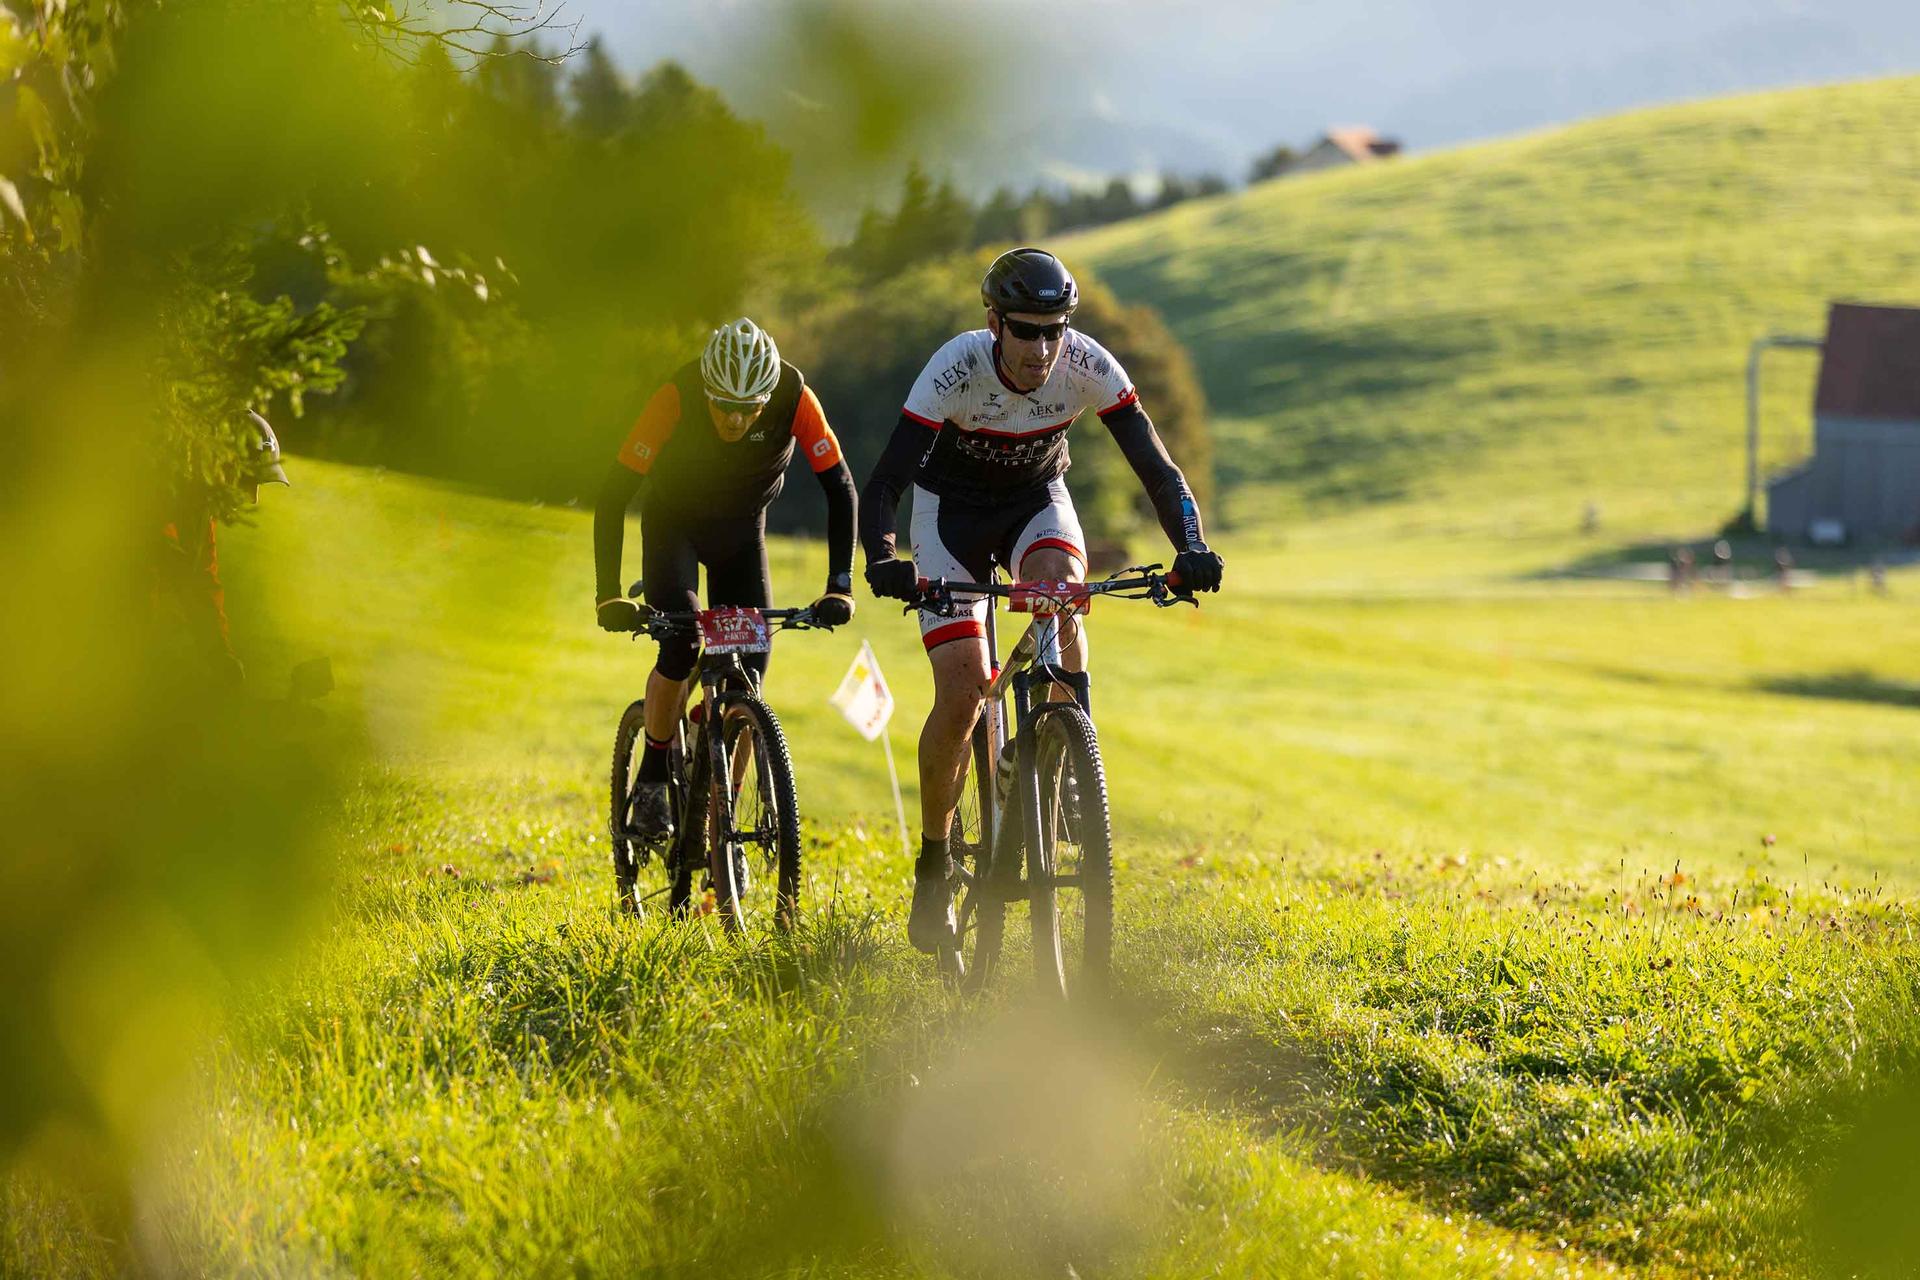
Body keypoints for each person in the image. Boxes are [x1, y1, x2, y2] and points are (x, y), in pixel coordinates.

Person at [858, 247, 1223, 952]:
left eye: (1054, 329)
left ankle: (1069, 762)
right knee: (963, 693)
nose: (1041, 347)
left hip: (1035, 502)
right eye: (1025, 330)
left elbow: (1155, 464)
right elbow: (884, 485)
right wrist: (882, 558)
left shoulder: (1087, 364)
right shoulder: (955, 367)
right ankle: (933, 860)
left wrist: (1191, 546)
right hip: (949, 516)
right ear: (994, 322)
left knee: (1062, 592)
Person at [594, 318, 857, 844]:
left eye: (748, 409)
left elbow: (841, 488)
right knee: (683, 641)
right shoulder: (675, 395)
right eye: (722, 405)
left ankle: (724, 814)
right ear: (705, 390)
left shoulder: (794, 395)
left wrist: (840, 584)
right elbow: (614, 493)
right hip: (676, 529)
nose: (735, 419)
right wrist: (608, 592)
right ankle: (652, 773)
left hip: (742, 535)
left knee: (749, 677)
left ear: (766, 397)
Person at [159, 410, 289, 687]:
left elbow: (203, 584)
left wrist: (220, 656)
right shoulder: (165, 502)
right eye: (247, 481)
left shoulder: (198, 514)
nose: (252, 498)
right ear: (224, 464)